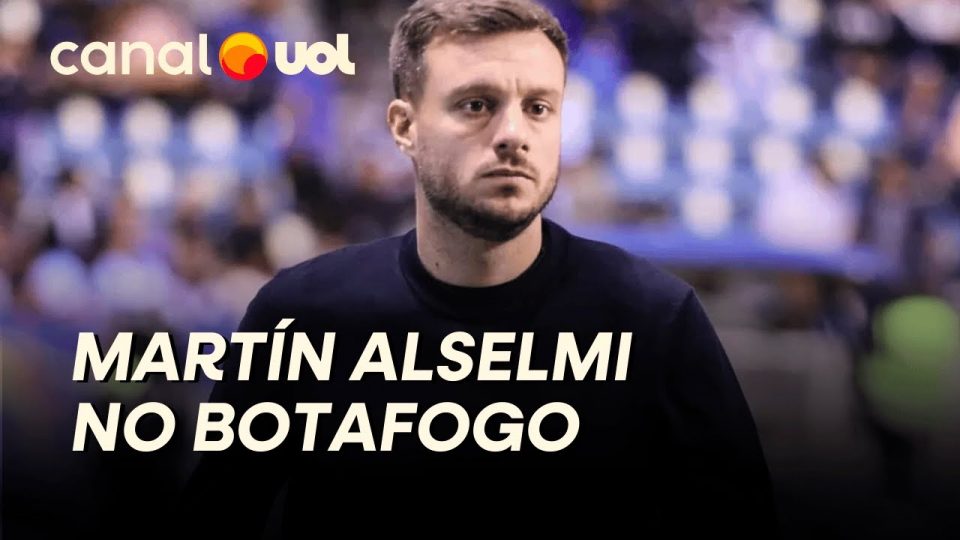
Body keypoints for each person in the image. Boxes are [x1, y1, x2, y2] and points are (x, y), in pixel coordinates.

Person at [181, 0, 778, 537]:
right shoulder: (302, 318)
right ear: (404, 127)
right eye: (477, 105)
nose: (513, 134)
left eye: (539, 107)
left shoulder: (653, 321)